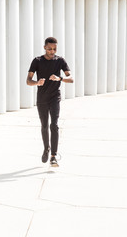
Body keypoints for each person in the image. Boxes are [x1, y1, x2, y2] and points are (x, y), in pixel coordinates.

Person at [26, 37, 74, 167]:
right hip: (42, 99)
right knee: (44, 126)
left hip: (54, 98)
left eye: (54, 49)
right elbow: (28, 80)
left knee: (54, 125)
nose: (52, 51)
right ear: (44, 48)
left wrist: (60, 78)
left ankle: (53, 156)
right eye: (49, 49)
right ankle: (46, 148)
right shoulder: (37, 61)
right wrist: (37, 82)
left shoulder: (60, 61)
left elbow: (71, 78)